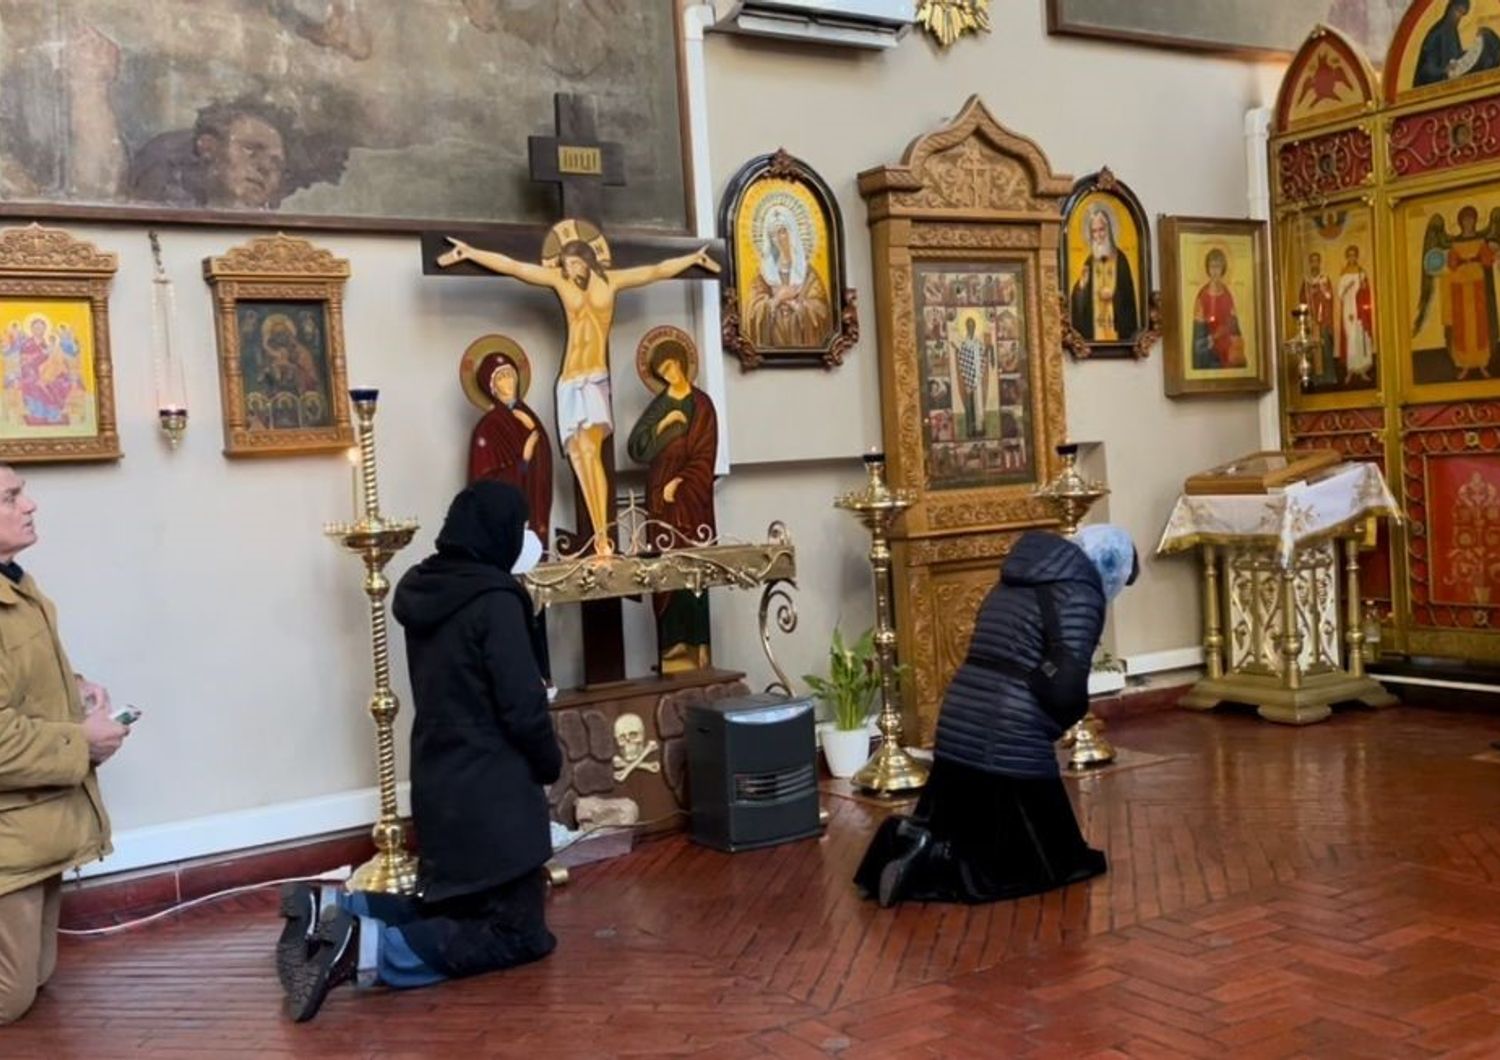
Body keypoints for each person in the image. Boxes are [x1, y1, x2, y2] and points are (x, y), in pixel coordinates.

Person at [278, 481, 559, 1022]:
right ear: (497, 532)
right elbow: (522, 705)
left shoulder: (425, 588)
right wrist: (550, 763)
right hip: (493, 796)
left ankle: (334, 910)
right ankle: (365, 953)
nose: (526, 536)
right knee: (518, 933)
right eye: (521, 526)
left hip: (440, 783)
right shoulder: (495, 600)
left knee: (454, 904)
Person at [854, 525, 1137, 907]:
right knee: (1053, 860)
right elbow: (1066, 685)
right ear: (1112, 570)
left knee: (955, 820)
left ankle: (912, 839)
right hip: (1010, 733)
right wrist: (1063, 717)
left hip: (958, 721)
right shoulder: (1080, 593)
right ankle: (936, 860)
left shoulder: (1019, 575)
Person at [438, 227, 718, 555]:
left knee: (594, 455)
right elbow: (516, 267)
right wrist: (471, 253)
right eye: (564, 265)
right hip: (570, 380)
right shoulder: (560, 282)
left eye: (571, 263)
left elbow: (653, 271)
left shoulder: (611, 282)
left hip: (595, 377)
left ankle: (603, 537)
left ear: (585, 261)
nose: (567, 269)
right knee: (580, 458)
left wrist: (692, 259)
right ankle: (599, 539)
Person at [0, 465, 129, 1023]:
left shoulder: (16, 582)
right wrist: (84, 742)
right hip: (11, 834)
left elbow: (19, 685)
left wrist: (75, 689)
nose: (30, 506)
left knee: (39, 976)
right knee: (10, 999)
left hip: (34, 826)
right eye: (11, 497)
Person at [626, 338, 718, 673]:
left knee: (693, 566)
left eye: (671, 366)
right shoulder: (660, 405)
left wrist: (679, 482)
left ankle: (697, 650)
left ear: (681, 363)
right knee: (665, 567)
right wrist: (663, 426)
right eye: (662, 371)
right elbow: (636, 448)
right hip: (659, 501)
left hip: (691, 500)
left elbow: (705, 454)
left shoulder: (702, 404)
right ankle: (671, 651)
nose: (668, 374)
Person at [468, 353, 553, 547]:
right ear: (491, 386)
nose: (508, 381)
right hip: (506, 516)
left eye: (510, 374)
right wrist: (522, 461)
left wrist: (533, 430)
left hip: (532, 503)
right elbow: (484, 482)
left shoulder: (528, 416)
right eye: (501, 377)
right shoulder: (488, 426)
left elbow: (544, 462)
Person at [746, 205, 832, 349]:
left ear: (792, 233)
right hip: (772, 344)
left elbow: (822, 311)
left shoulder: (808, 274)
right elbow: (751, 311)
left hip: (803, 343)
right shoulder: (763, 275)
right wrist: (777, 299)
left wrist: (797, 307)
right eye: (772, 235)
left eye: (782, 232)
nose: (778, 239)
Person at [1069, 205, 1138, 343]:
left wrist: (1114, 295)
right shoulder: (1089, 261)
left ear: (1109, 230)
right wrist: (1081, 288)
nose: (1098, 236)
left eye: (1101, 230)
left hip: (1116, 329)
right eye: (1094, 232)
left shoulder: (1121, 260)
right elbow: (1077, 305)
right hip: (1094, 332)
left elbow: (1129, 298)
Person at [1416, 0, 1500, 87]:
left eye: (1462, 14)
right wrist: (1444, 70)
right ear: (1449, 9)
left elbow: (1456, 57)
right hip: (1441, 80)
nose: (1459, 16)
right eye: (1457, 11)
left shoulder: (1452, 31)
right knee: (1487, 37)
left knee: (1486, 36)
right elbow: (1426, 69)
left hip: (1456, 73)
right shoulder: (1436, 33)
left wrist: (1475, 48)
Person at [1191, 249, 1246, 369]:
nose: (1215, 271)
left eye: (1218, 267)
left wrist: (1233, 338)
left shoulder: (1227, 294)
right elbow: (1199, 331)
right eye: (1212, 267)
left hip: (1227, 345)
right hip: (1209, 348)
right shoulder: (1202, 296)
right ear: (1207, 269)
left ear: (1223, 269)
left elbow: (1234, 325)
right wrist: (1211, 339)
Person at [1337, 245, 1376, 385]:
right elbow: (1340, 294)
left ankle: (1362, 369)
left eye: (1354, 255)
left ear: (1356, 256)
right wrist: (1347, 287)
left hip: (1360, 310)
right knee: (1351, 337)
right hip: (1349, 309)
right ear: (1347, 257)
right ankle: (1350, 369)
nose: (1352, 257)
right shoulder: (1344, 273)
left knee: (1361, 337)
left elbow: (1366, 291)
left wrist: (1364, 285)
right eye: (1350, 255)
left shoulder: (1361, 272)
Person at [1299, 251, 1336, 383]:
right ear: (1310, 264)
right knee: (1312, 349)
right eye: (1312, 261)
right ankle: (1315, 378)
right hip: (1311, 321)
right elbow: (1302, 300)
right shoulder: (1306, 282)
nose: (1314, 264)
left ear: (1319, 263)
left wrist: (1320, 290)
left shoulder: (1324, 279)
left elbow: (1329, 298)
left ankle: (1329, 377)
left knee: (1325, 348)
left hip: (1323, 321)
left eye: (1316, 261)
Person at [954, 317, 991, 439]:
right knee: (969, 405)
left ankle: (980, 429)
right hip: (968, 378)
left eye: (972, 325)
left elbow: (982, 357)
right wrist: (957, 350)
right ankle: (970, 430)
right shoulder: (964, 344)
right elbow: (962, 359)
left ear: (975, 327)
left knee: (979, 403)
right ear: (966, 327)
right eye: (968, 325)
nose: (971, 327)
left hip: (977, 379)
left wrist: (987, 349)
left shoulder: (977, 343)